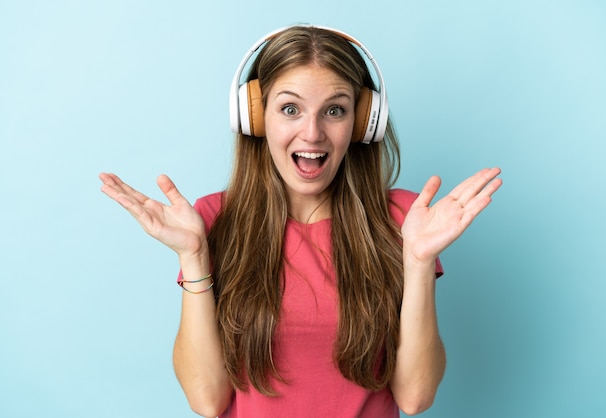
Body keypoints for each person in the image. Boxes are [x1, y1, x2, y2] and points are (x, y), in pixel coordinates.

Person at [99, 25, 502, 418]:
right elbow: (207, 400)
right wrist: (193, 255)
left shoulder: (405, 220)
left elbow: (415, 398)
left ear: (363, 123)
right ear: (255, 118)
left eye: (335, 110)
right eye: (290, 109)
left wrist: (416, 262)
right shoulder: (209, 221)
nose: (312, 133)